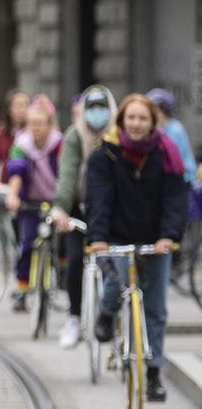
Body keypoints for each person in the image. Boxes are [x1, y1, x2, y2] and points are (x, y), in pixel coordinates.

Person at [87, 93, 189, 402]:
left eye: (143, 118)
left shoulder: (166, 153)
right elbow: (99, 200)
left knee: (156, 308)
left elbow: (175, 199)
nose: (136, 124)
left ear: (152, 122)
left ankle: (154, 372)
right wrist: (98, 237)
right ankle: (106, 313)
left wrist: (168, 236)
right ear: (121, 120)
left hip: (156, 239)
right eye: (131, 117)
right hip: (117, 234)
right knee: (115, 283)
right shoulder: (105, 155)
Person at [50, 85, 116, 349]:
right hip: (80, 207)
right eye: (92, 108)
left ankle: (116, 317)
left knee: (117, 264)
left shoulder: (119, 134)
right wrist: (60, 208)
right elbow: (67, 174)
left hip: (112, 210)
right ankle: (74, 317)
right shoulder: (75, 135)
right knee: (75, 260)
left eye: (102, 108)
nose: (97, 114)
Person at [4, 95, 63, 311]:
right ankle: (22, 289)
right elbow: (16, 171)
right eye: (31, 124)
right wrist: (13, 195)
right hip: (30, 201)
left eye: (40, 123)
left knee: (62, 243)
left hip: (55, 199)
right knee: (27, 243)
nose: (35, 128)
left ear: (49, 124)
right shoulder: (22, 144)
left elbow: (66, 172)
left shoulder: (59, 143)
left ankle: (59, 279)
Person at [146, 89, 198, 187]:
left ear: (161, 111)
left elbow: (177, 160)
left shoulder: (175, 128)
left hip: (182, 181)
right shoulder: (154, 129)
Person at [0, 89, 30, 167]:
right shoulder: (2, 131)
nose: (23, 110)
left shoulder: (33, 130)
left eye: (26, 105)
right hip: (8, 177)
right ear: (9, 109)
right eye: (19, 106)